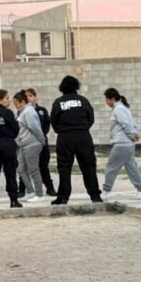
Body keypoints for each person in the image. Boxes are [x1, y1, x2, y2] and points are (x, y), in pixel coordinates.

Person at [50, 76, 102, 205]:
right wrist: (82, 128)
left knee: (64, 167)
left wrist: (62, 130)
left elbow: (54, 121)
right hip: (83, 136)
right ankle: (95, 196)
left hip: (65, 137)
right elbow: (91, 118)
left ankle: (63, 197)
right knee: (88, 166)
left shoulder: (58, 102)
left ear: (62, 88)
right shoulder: (83, 101)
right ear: (76, 86)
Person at [101, 88, 141, 200]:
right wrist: (134, 133)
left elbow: (125, 123)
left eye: (107, 100)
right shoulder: (124, 107)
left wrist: (132, 134)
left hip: (122, 143)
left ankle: (106, 191)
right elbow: (132, 122)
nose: (106, 102)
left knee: (111, 167)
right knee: (131, 167)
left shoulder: (118, 109)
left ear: (112, 99)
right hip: (128, 144)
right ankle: (140, 190)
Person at [14, 90, 46, 203]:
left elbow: (35, 127)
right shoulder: (22, 112)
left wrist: (42, 140)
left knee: (33, 169)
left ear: (23, 102)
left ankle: (39, 194)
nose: (15, 106)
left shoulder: (28, 111)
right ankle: (30, 191)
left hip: (31, 144)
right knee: (21, 168)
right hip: (23, 145)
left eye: (17, 103)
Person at [24, 88, 57, 197]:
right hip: (28, 142)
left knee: (43, 166)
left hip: (41, 141)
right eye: (26, 96)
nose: (28, 98)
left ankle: (49, 188)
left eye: (30, 96)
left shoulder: (41, 110)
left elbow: (47, 123)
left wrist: (42, 134)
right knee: (26, 166)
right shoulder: (23, 111)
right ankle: (23, 189)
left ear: (35, 97)